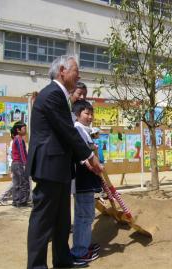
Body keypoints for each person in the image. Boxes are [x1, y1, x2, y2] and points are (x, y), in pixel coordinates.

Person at [26, 55, 103, 269]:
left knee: (61, 220)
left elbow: (64, 134)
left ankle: (63, 260)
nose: (79, 75)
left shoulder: (59, 95)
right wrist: (89, 156)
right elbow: (67, 130)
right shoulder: (52, 94)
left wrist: (83, 157)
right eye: (76, 70)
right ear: (62, 70)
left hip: (59, 167)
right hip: (48, 166)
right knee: (42, 222)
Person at [71, 100, 102, 263]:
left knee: (86, 214)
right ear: (77, 114)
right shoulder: (77, 129)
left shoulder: (85, 130)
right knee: (84, 215)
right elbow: (81, 155)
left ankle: (83, 245)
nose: (90, 117)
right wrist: (93, 166)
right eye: (86, 113)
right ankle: (79, 252)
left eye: (91, 114)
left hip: (87, 179)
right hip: (82, 179)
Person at [10, 121, 30, 207]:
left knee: (16, 183)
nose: (25, 130)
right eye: (24, 128)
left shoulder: (16, 138)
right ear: (18, 130)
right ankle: (22, 201)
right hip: (19, 164)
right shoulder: (19, 139)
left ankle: (16, 201)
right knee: (24, 182)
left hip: (14, 163)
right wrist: (25, 163)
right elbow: (22, 152)